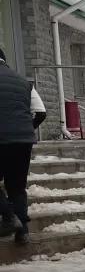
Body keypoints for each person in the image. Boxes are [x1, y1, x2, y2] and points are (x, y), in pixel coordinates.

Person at [0, 48, 41, 245]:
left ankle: (9, 217)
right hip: (23, 141)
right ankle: (23, 232)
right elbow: (40, 112)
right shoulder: (23, 81)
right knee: (16, 186)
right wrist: (25, 130)